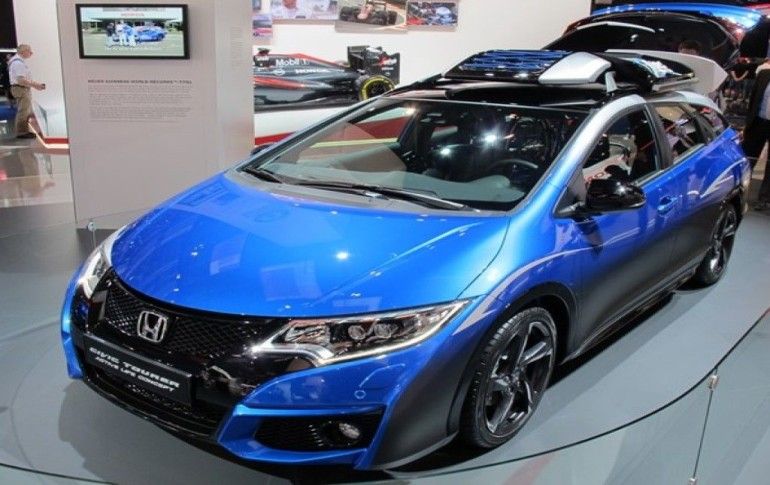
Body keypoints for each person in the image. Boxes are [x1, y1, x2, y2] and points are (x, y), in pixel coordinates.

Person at [741, 59, 770, 210]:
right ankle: (739, 190)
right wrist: (747, 124)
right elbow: (753, 100)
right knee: (747, 158)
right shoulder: (763, 74)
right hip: (758, 122)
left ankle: (765, 198)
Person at [7, 44, 45, 140]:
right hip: (21, 89)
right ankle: (22, 132)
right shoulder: (18, 63)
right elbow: (21, 80)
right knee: (23, 111)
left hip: (20, 88)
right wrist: (36, 85)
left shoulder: (17, 62)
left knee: (24, 110)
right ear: (23, 51)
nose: (31, 53)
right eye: (29, 51)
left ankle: (23, 131)